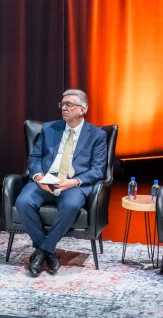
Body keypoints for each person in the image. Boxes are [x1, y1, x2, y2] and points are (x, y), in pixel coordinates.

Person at [15, 89, 107, 278]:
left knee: (72, 205)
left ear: (82, 109)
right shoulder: (50, 128)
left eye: (69, 105)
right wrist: (39, 176)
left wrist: (72, 182)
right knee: (23, 202)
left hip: (74, 183)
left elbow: (98, 170)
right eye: (62, 104)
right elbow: (34, 158)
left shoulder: (97, 135)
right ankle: (49, 253)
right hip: (47, 179)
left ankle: (42, 253)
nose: (64, 108)